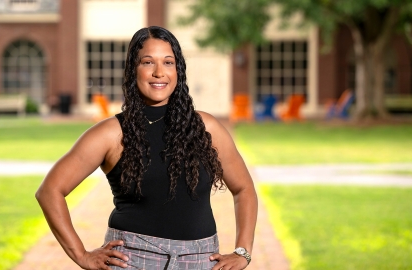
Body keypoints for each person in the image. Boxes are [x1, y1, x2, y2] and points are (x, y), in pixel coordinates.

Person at [36, 26, 258, 270]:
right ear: (134, 69)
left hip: (200, 260)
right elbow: (50, 191)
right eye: (148, 62)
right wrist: (81, 255)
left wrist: (242, 252)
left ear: (178, 70)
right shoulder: (110, 133)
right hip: (133, 260)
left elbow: (244, 188)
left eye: (168, 62)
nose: (159, 72)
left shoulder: (207, 128)